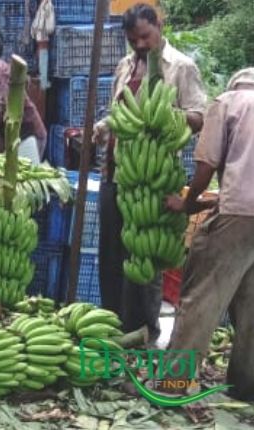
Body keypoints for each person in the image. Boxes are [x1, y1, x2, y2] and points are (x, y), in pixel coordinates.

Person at [94, 3, 207, 345]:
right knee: (112, 255)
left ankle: (145, 333)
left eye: (145, 36)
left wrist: (162, 117)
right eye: (133, 40)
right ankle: (112, 326)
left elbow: (200, 115)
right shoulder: (125, 64)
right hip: (117, 173)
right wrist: (103, 127)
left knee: (144, 260)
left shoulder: (182, 66)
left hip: (154, 176)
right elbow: (118, 111)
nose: (140, 45)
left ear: (159, 25)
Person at [163, 69, 254, 401]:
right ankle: (246, 386)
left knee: (201, 298)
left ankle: (172, 385)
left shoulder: (228, 102)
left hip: (240, 213)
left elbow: (206, 163)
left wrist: (187, 203)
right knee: (250, 304)